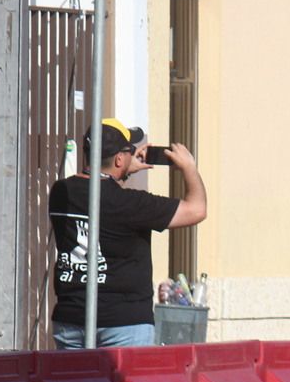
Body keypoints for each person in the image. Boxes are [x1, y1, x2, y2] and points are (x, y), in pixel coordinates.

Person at [48, 118, 207, 348]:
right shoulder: (130, 204)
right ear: (119, 158)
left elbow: (99, 186)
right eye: (128, 151)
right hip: (123, 323)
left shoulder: (61, 192)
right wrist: (189, 168)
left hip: (70, 321)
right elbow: (197, 209)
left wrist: (120, 171)